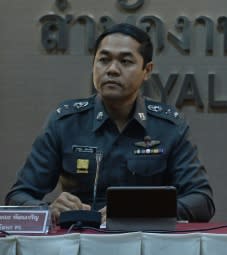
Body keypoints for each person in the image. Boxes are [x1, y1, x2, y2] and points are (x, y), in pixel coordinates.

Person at [5, 23, 215, 224]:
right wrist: (49, 211)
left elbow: (201, 201)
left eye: (125, 61)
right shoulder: (65, 122)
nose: (112, 70)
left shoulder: (169, 127)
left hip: (146, 242)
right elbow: (18, 196)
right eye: (103, 60)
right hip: (80, 240)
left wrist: (141, 210)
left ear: (147, 70)